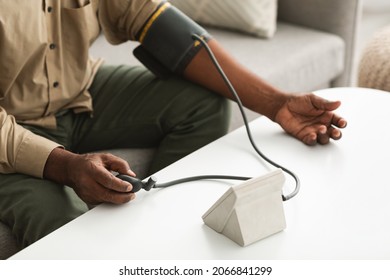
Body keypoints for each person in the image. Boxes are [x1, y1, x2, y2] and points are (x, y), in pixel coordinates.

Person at [0, 0, 347, 250]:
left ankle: (160, 237)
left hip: (80, 91)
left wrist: (277, 104)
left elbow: (150, 18)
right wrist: (66, 165)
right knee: (72, 231)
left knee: (204, 105)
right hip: (11, 130)